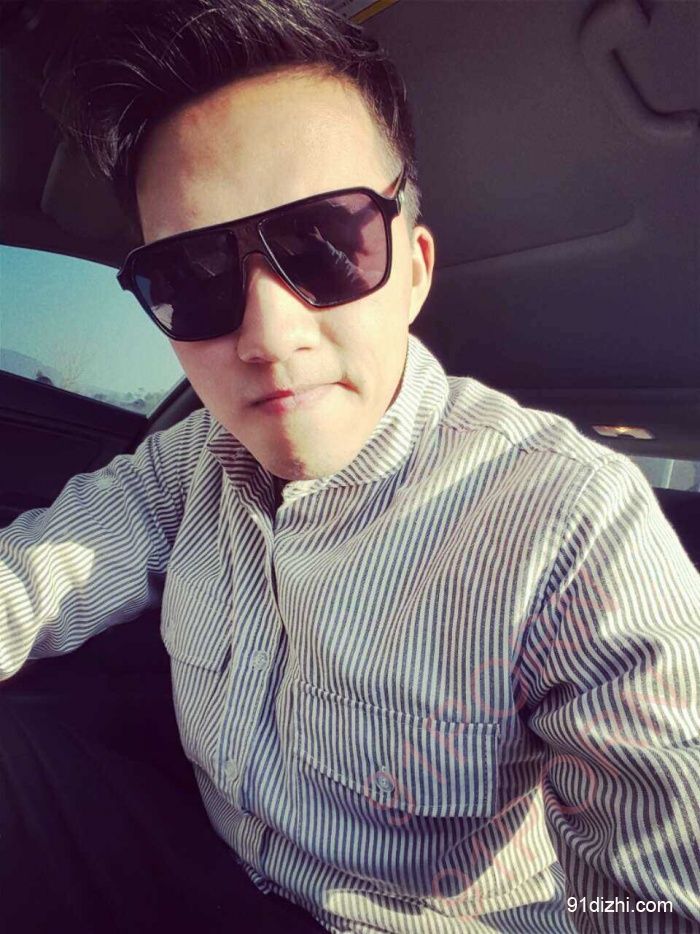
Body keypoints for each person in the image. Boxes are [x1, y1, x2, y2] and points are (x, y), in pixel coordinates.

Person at [1, 1, 699, 932]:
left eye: (325, 246)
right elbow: (31, 576)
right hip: (193, 855)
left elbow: (662, 891)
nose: (268, 334)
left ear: (412, 269)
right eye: (193, 277)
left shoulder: (571, 520)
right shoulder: (191, 463)